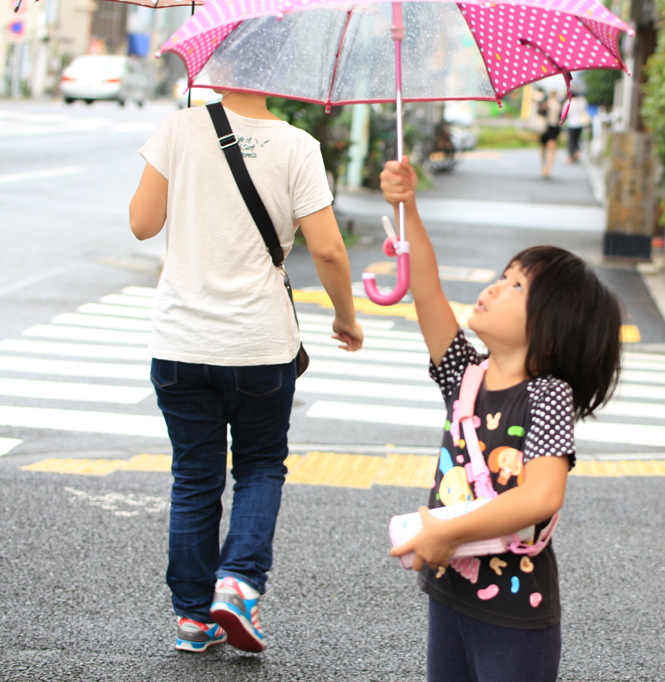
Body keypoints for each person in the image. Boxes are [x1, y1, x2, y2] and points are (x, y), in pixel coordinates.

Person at [128, 91, 364, 654]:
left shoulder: (178, 129)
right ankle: (236, 583)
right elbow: (328, 249)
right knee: (259, 466)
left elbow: (142, 224)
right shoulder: (297, 146)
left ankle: (191, 617)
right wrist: (345, 317)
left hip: (181, 340)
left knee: (194, 476)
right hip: (258, 344)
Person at [381, 156, 622, 681]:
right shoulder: (464, 375)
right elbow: (426, 290)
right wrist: (407, 208)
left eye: (516, 287)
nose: (493, 287)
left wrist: (450, 532)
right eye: (502, 276)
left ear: (554, 329)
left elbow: (541, 497)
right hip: (450, 589)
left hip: (516, 612)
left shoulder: (549, 396)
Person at [537, 89, 564, 178]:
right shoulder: (545, 100)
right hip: (545, 127)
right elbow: (539, 113)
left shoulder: (560, 102)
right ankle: (544, 165)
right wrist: (543, 108)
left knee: (552, 147)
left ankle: (549, 167)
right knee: (543, 147)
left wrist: (561, 112)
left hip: (554, 127)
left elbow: (563, 116)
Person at [564, 89, 591, 163]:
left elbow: (565, 113)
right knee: (577, 139)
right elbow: (585, 110)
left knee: (572, 141)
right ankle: (574, 156)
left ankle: (576, 153)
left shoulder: (569, 102)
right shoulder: (582, 101)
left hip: (572, 124)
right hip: (580, 124)